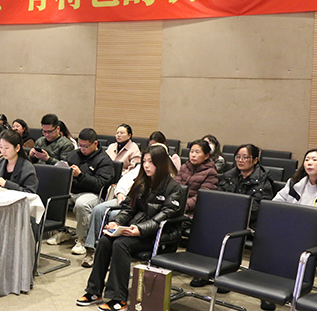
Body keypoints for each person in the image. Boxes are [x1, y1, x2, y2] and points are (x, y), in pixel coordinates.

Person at [76, 145, 184, 311]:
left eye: (151, 162)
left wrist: (140, 229)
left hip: (158, 236)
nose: (146, 165)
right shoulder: (141, 182)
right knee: (105, 240)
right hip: (135, 230)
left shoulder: (174, 188)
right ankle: (94, 291)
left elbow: (164, 217)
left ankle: (119, 298)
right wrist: (117, 222)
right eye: (144, 161)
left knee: (121, 244)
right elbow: (128, 208)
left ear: (161, 163)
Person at [191, 144, 273, 288]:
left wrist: (232, 216)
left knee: (226, 231)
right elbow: (219, 199)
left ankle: (225, 273)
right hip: (227, 218)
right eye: (238, 157)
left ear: (255, 160)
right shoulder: (229, 176)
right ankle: (207, 271)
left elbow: (257, 209)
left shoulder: (263, 181)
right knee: (206, 226)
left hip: (250, 224)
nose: (240, 160)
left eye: (245, 157)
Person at [48, 128, 114, 256]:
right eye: (80, 145)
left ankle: (83, 239)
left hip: (92, 193)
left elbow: (100, 184)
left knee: (82, 204)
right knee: (54, 197)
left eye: (85, 146)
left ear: (95, 144)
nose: (82, 149)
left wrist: (80, 175)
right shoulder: (74, 155)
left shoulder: (104, 160)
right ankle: (62, 230)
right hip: (72, 190)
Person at [175, 139, 218, 215]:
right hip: (177, 206)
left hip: (194, 211)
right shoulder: (184, 167)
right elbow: (175, 187)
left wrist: (183, 206)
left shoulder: (211, 172)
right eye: (191, 151)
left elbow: (202, 197)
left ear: (206, 156)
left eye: (197, 152)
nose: (193, 155)